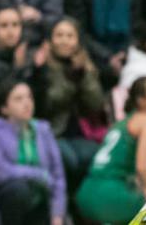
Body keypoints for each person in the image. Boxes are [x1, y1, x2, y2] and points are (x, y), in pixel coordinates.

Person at [76, 76, 146, 224]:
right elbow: (143, 166)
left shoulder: (122, 122)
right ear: (142, 100)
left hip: (87, 190)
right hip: (110, 194)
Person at [0, 80, 66, 225]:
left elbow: (58, 176)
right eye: (18, 99)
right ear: (4, 109)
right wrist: (38, 174)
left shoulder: (43, 130)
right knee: (20, 189)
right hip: (7, 202)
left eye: (29, 97)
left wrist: (57, 215)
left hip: (41, 201)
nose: (27, 103)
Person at [40, 17, 106, 191]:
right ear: (50, 40)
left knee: (98, 155)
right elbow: (49, 103)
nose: (64, 40)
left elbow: (96, 104)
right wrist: (70, 81)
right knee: (70, 160)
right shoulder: (43, 67)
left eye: (70, 36)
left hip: (81, 132)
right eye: (59, 35)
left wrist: (83, 76)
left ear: (78, 41)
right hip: (53, 132)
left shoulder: (86, 67)